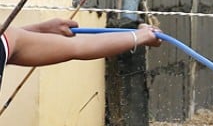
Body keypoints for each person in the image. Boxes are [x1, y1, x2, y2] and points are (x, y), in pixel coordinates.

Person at [2, 17, 161, 86]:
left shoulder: (8, 38)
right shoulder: (8, 38)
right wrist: (139, 36)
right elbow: (81, 46)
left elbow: (80, 45)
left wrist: (39, 29)